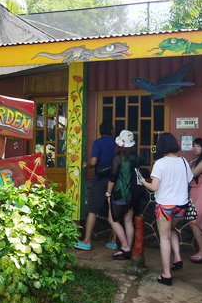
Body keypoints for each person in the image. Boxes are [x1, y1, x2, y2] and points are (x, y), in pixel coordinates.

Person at [138, 133, 194, 286]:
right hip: (181, 205)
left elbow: (154, 187)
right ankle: (177, 258)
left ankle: (166, 274)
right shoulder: (183, 161)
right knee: (171, 230)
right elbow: (190, 181)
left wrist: (143, 182)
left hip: (165, 206)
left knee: (164, 237)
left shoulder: (160, 163)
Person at [75, 122, 117, 251]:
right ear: (112, 130)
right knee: (115, 212)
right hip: (115, 180)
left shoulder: (98, 143)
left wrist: (84, 165)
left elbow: (93, 162)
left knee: (92, 210)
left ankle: (87, 241)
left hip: (100, 181)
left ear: (100, 132)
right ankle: (114, 241)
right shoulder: (117, 142)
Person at [105, 130, 142, 260]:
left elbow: (113, 177)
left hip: (120, 193)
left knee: (112, 219)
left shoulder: (118, 158)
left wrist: (108, 194)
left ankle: (125, 247)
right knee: (127, 220)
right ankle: (129, 248)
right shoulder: (135, 158)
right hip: (133, 194)